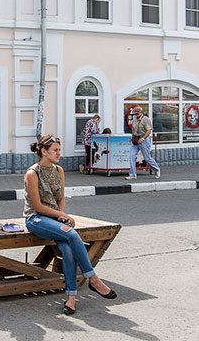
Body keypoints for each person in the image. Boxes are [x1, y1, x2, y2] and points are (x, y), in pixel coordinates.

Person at [24, 134, 117, 315]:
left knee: (67, 249)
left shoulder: (59, 170)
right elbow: (36, 206)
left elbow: (61, 198)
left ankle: (71, 298)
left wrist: (63, 216)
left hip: (54, 219)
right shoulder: (32, 173)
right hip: (36, 219)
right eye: (55, 150)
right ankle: (93, 278)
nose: (59, 153)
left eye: (59, 150)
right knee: (72, 235)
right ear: (44, 151)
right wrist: (60, 215)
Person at [126, 106, 161, 180]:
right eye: (135, 111)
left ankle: (157, 169)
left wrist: (143, 138)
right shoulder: (134, 120)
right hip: (135, 140)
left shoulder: (145, 119)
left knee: (147, 157)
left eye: (137, 111)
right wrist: (132, 137)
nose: (136, 113)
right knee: (132, 156)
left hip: (144, 140)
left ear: (141, 111)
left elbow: (148, 131)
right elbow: (133, 130)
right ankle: (132, 174)